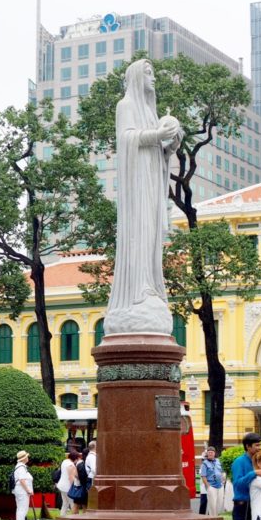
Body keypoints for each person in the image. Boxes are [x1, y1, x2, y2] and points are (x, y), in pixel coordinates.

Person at [104, 58, 183, 336]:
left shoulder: (150, 111)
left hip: (151, 181)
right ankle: (137, 290)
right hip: (136, 186)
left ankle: (149, 284)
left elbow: (159, 149)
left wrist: (170, 142)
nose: (153, 79)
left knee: (151, 237)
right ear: (137, 77)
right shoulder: (125, 106)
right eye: (149, 73)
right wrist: (156, 134)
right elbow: (126, 139)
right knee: (139, 233)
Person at [199, 446, 224, 516]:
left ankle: (217, 516)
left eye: (212, 452)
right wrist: (208, 486)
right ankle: (213, 519)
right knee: (212, 505)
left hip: (220, 486)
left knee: (219, 503)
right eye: (209, 452)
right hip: (211, 486)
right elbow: (203, 476)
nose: (210, 454)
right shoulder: (205, 463)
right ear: (207, 453)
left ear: (214, 453)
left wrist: (223, 480)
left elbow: (222, 471)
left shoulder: (219, 461)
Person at [12, 450, 34, 520]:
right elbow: (22, 480)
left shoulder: (21, 466)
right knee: (22, 507)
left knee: (21, 507)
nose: (28, 458)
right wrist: (28, 490)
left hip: (21, 490)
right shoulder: (21, 467)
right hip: (22, 491)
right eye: (27, 457)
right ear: (24, 458)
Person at [56, 451, 76, 516]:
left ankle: (62, 517)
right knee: (72, 504)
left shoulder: (64, 461)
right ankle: (74, 519)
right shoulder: (71, 465)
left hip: (61, 485)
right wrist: (74, 488)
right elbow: (71, 477)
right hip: (68, 487)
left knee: (65, 503)